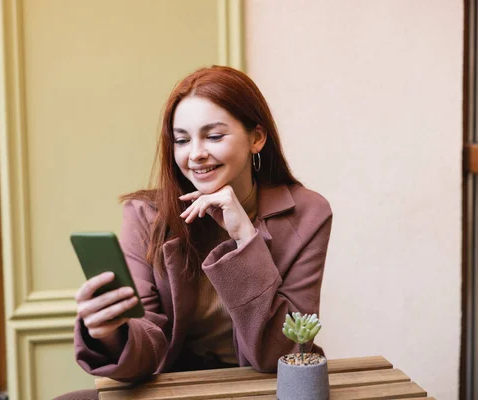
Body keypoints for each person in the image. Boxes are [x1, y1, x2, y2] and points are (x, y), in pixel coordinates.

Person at [54, 65, 332, 400]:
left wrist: (245, 237)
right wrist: (111, 333)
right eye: (182, 140)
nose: (195, 154)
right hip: (175, 384)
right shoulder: (147, 216)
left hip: (263, 387)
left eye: (214, 136)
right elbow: (148, 341)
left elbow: (281, 352)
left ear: (256, 138)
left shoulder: (308, 213)